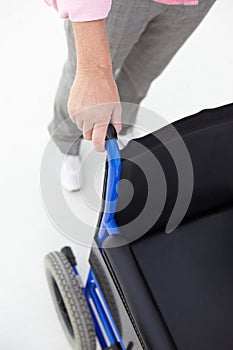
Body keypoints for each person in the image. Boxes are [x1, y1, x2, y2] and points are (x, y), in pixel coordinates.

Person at [45, 0, 216, 191]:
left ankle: (123, 127)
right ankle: (67, 142)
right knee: (86, 83)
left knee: (141, 75)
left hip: (195, 5)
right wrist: (93, 70)